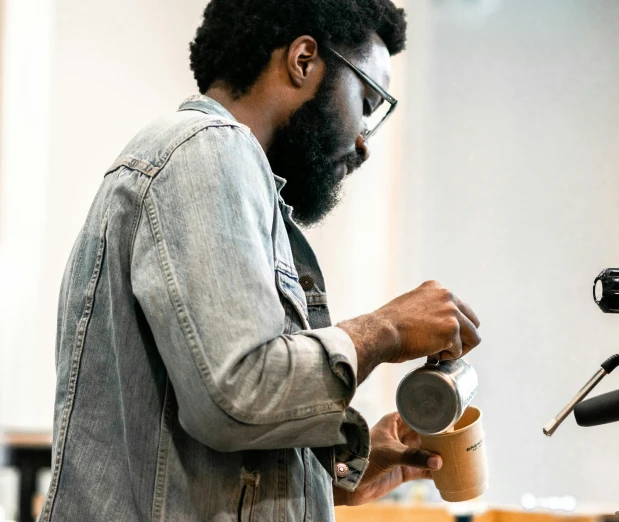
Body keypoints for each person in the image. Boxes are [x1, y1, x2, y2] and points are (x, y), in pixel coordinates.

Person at [40, 0, 482, 520]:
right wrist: (386, 330)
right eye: (367, 101)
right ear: (302, 60)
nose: (364, 142)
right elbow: (237, 394)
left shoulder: (224, 171)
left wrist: (341, 465)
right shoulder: (206, 152)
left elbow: (212, 423)